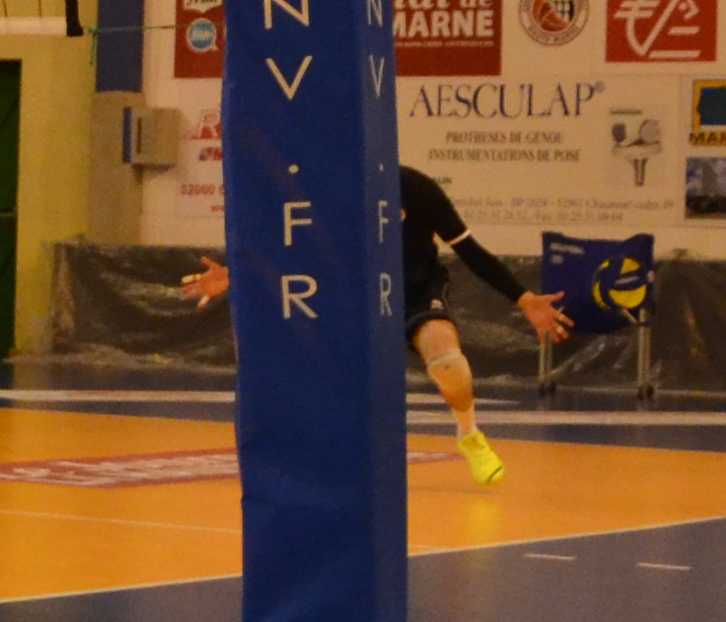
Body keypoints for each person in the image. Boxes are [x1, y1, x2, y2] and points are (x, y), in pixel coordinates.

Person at [182, 163, 572, 485]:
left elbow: (468, 250)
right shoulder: (326, 192)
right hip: (353, 295)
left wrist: (524, 298)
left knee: (448, 363)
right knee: (323, 378)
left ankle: (469, 435)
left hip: (416, 290)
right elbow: (289, 247)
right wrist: (236, 273)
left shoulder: (415, 187)